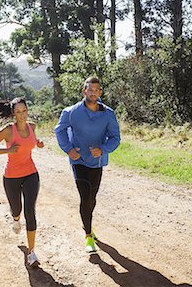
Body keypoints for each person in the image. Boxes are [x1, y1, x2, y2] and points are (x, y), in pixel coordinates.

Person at [54, 76, 121, 253]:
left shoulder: (108, 114)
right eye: (89, 89)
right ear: (84, 91)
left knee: (92, 198)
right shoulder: (71, 112)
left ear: (100, 92)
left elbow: (116, 138)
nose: (92, 92)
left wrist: (103, 149)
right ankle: (88, 236)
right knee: (85, 197)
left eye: (96, 90)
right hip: (78, 160)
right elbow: (59, 130)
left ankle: (88, 224)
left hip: (97, 162)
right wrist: (69, 150)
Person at [0, 97, 44, 266]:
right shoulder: (8, 131)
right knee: (16, 209)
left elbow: (32, 141)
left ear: (27, 110)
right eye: (18, 112)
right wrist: (8, 149)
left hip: (31, 173)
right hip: (11, 177)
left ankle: (32, 252)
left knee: (30, 211)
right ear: (13, 113)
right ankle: (15, 219)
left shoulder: (32, 127)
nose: (22, 115)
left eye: (24, 111)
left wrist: (38, 143)